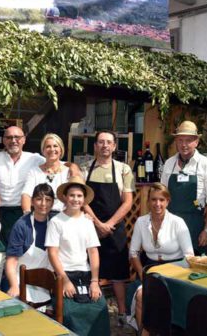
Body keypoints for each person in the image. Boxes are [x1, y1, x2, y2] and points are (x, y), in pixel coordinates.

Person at [0, 126, 45, 286]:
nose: (13, 140)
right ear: (4, 140)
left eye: (17, 137)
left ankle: (21, 295)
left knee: (22, 256)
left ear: (24, 139)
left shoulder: (34, 159)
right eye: (9, 137)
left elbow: (56, 164)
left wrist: (74, 169)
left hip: (24, 214)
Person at [46, 176, 110, 336]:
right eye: (72, 195)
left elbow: (93, 252)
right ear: (65, 198)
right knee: (69, 313)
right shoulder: (56, 222)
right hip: (63, 275)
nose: (76, 199)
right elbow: (52, 253)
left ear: (84, 199)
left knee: (100, 308)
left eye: (79, 196)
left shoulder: (88, 222)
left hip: (85, 274)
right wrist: (65, 280)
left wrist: (95, 282)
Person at [81, 130, 134, 324]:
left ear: (114, 146)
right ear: (95, 146)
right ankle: (90, 309)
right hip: (90, 226)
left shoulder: (123, 169)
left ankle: (121, 313)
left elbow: (127, 202)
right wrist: (97, 223)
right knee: (89, 270)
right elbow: (82, 199)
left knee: (118, 273)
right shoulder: (85, 168)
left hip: (115, 227)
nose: (105, 145)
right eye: (101, 142)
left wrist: (109, 224)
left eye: (108, 142)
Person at [128, 183, 194, 334]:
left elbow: (190, 256)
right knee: (140, 296)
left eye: (161, 200)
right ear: (148, 201)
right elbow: (133, 252)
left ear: (168, 201)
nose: (157, 204)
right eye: (153, 199)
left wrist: (170, 273)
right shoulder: (141, 222)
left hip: (176, 271)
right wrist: (141, 274)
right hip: (150, 270)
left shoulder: (178, 222)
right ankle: (143, 332)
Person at [160, 120, 207, 255]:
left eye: (188, 140)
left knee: (194, 265)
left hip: (195, 225)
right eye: (180, 140)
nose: (184, 145)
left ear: (196, 142)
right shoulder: (169, 164)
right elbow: (162, 196)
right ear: (176, 142)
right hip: (171, 223)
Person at [6, 183, 54, 302]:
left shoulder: (56, 222)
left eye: (47, 200)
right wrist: (14, 286)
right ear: (32, 202)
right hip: (22, 281)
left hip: (47, 282)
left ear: (52, 203)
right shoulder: (22, 225)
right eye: (38, 199)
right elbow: (11, 261)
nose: (43, 204)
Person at [22, 133, 80, 214]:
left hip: (63, 216)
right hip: (41, 215)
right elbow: (26, 194)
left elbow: (78, 196)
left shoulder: (69, 171)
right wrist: (27, 216)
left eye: (55, 146)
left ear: (61, 149)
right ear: (43, 150)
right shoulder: (34, 171)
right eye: (48, 146)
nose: (52, 149)